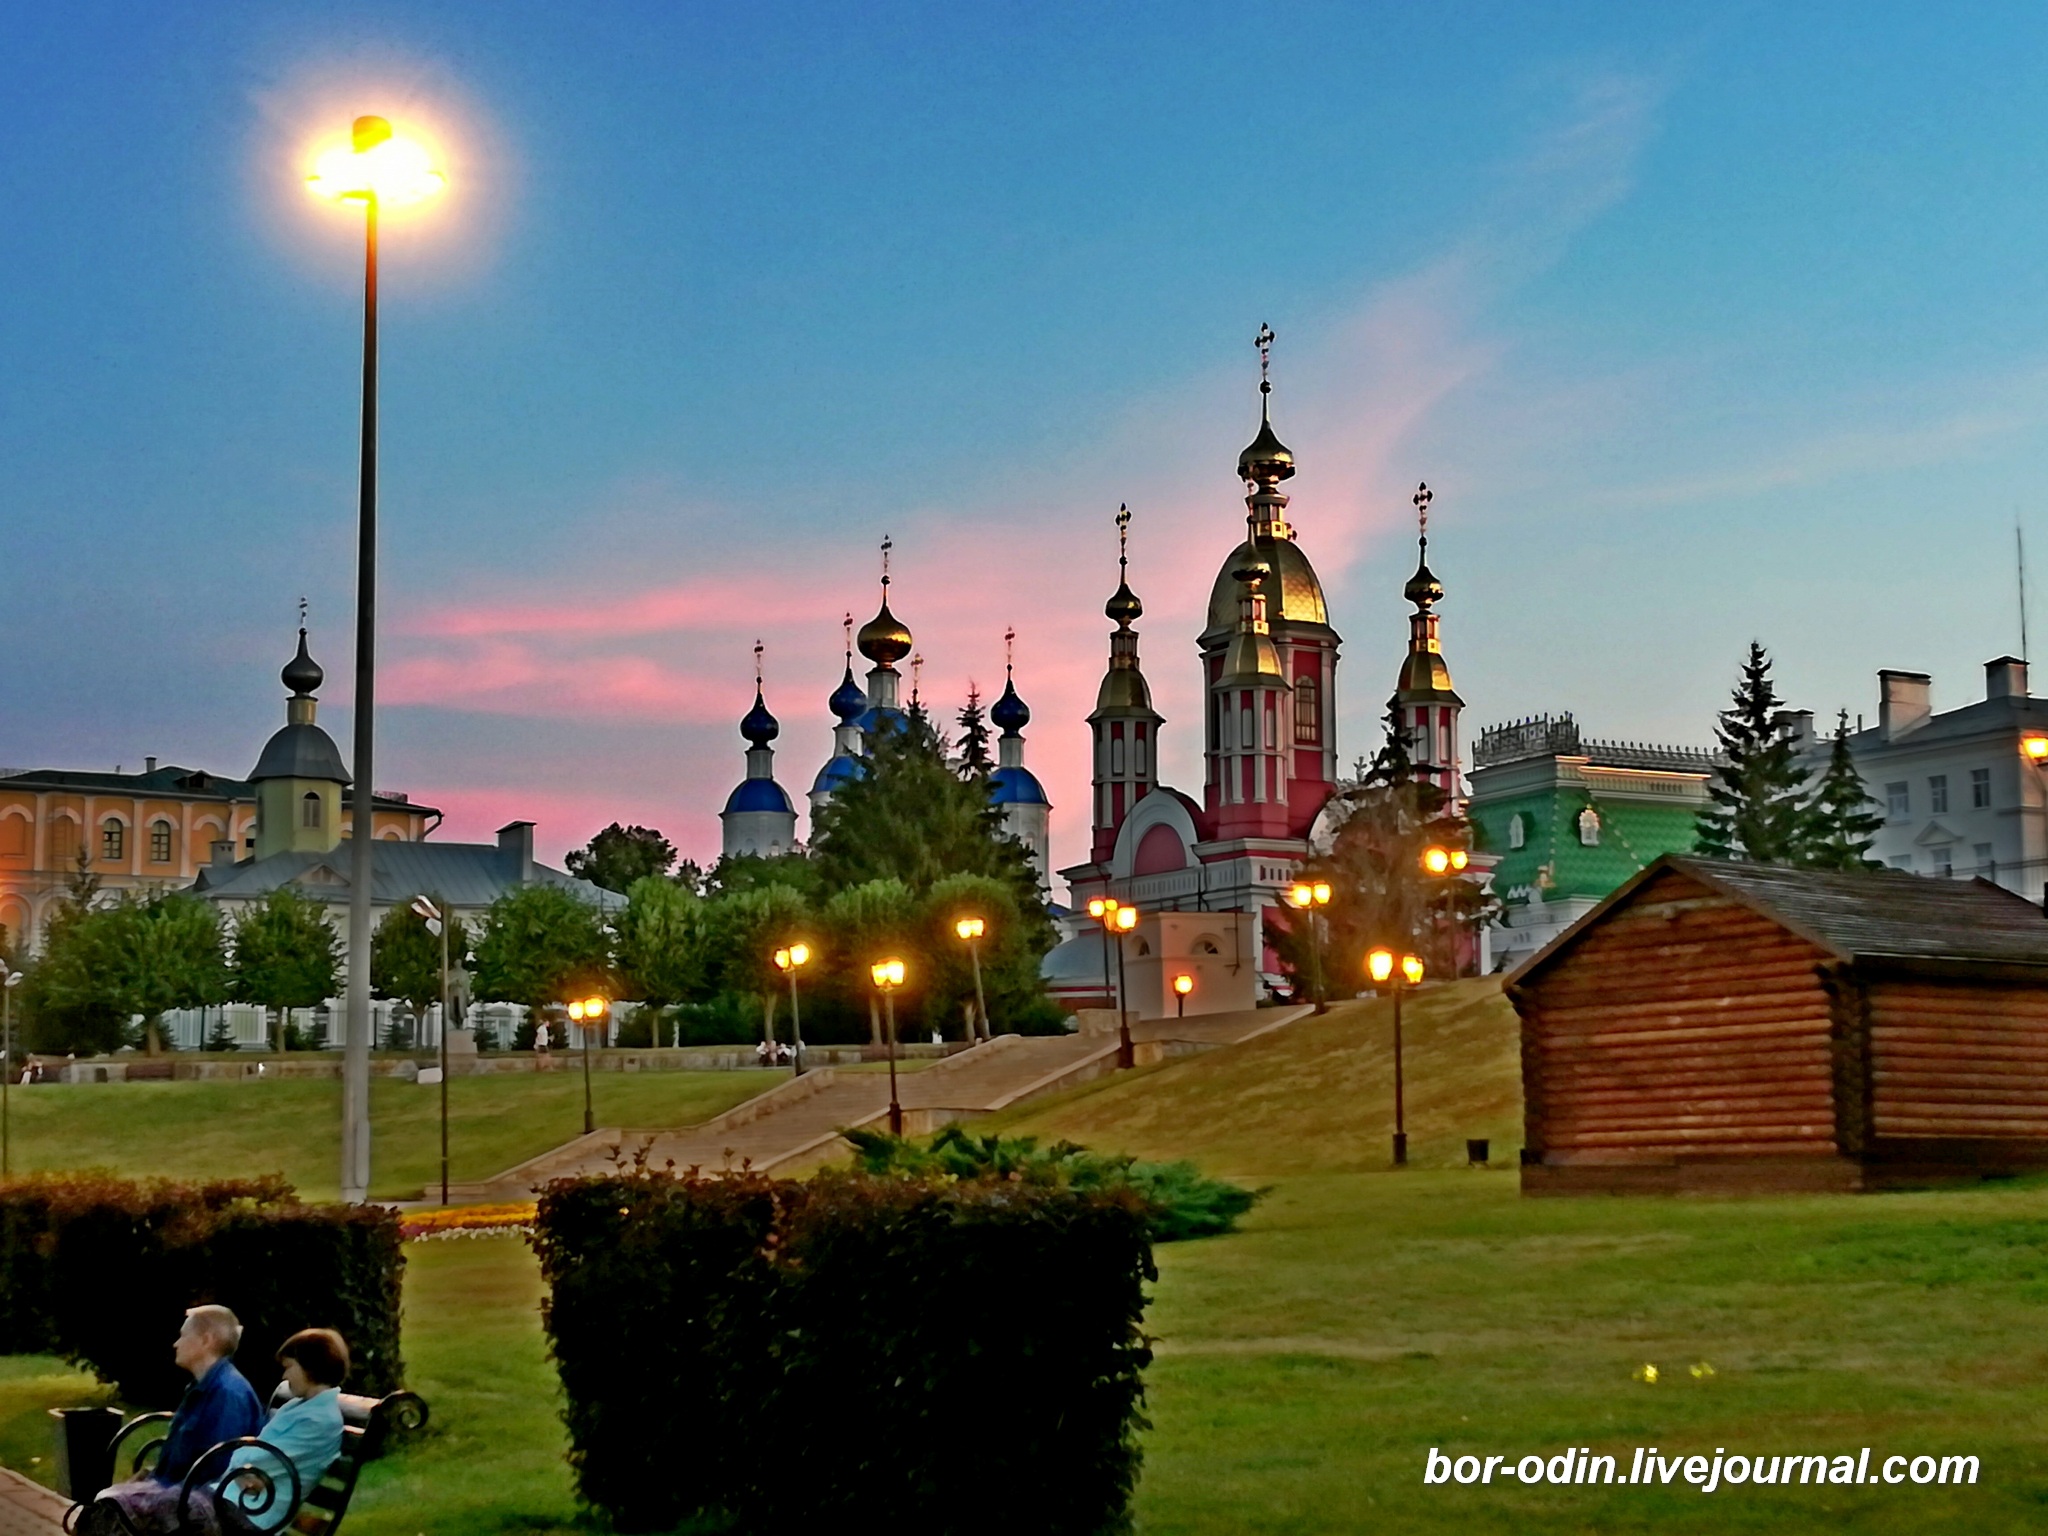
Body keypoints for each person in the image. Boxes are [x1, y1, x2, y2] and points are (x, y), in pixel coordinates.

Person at [78, 1305, 264, 1534]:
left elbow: (215, 1467)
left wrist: (155, 1487)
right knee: (103, 1506)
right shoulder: (203, 1386)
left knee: (107, 1512)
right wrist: (151, 1476)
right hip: (181, 1490)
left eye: (183, 1335)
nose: (176, 1343)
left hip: (208, 1503)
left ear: (206, 1340)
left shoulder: (227, 1393)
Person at [213, 1330, 350, 1533]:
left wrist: (238, 1465)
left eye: (289, 1367)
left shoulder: (319, 1420)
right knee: (157, 1503)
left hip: (252, 1517)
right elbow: (255, 1454)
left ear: (310, 1367)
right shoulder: (299, 1407)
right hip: (233, 1501)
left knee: (159, 1510)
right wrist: (241, 1467)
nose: (285, 1376)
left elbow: (258, 1459)